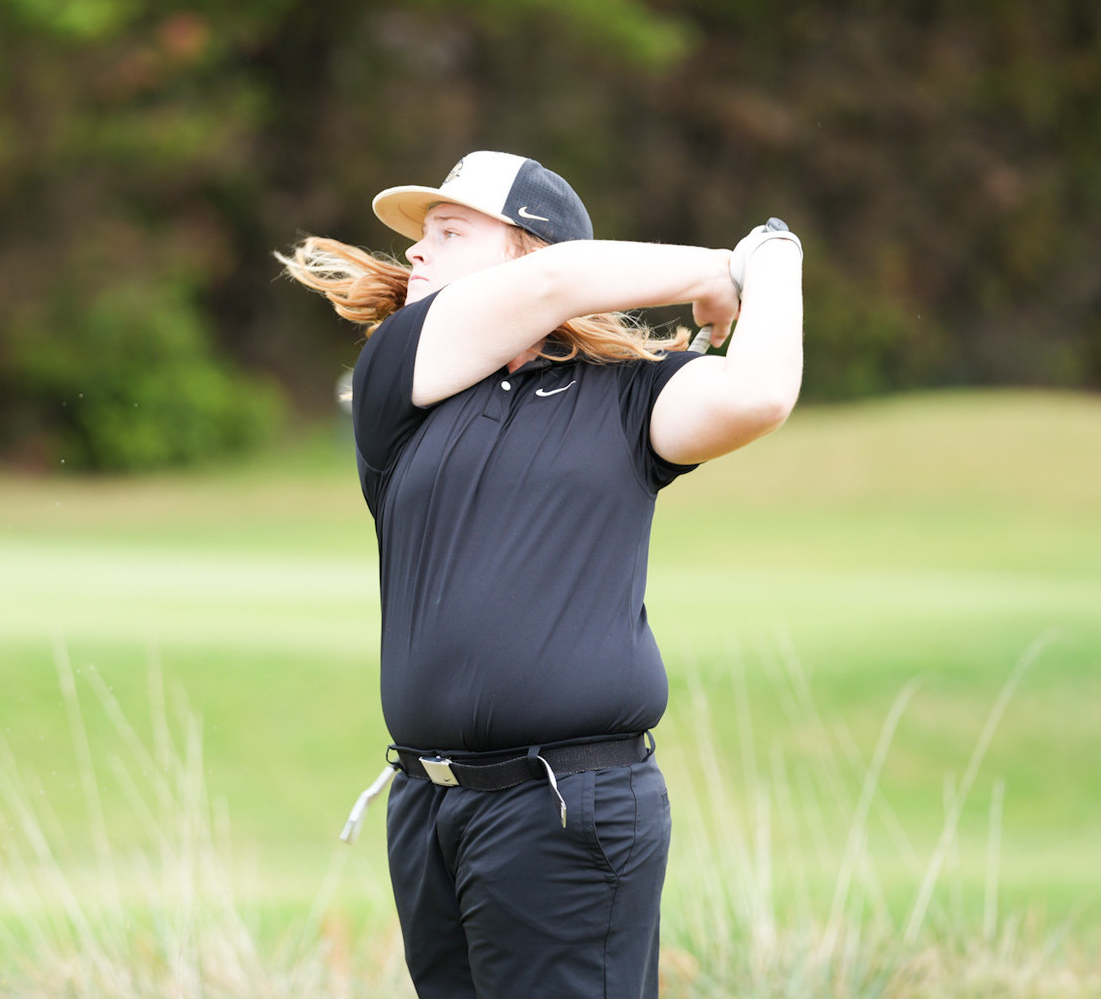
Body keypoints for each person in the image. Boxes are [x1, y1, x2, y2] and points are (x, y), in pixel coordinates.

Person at [280, 150, 803, 999]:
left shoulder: (632, 397)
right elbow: (554, 286)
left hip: (569, 805)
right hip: (429, 804)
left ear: (524, 249)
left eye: (448, 233)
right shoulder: (400, 381)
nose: (416, 252)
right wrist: (719, 267)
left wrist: (775, 258)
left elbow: (760, 396)